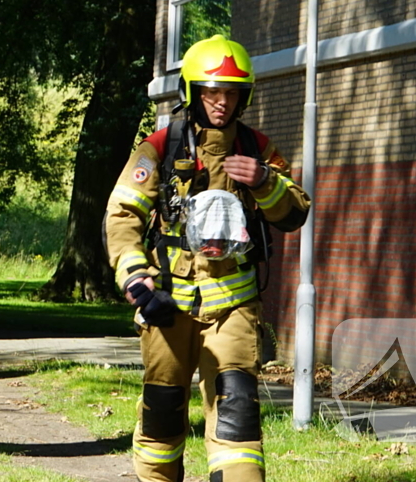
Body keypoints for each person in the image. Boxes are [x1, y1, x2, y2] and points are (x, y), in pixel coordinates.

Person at [104, 35, 311, 482]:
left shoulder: (257, 149)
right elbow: (122, 215)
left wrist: (264, 181)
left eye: (231, 93)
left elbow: (295, 212)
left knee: (237, 415)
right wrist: (136, 277)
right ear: (192, 92)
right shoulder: (161, 146)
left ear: (243, 96)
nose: (221, 102)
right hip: (167, 305)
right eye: (212, 91)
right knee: (162, 412)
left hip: (233, 308)